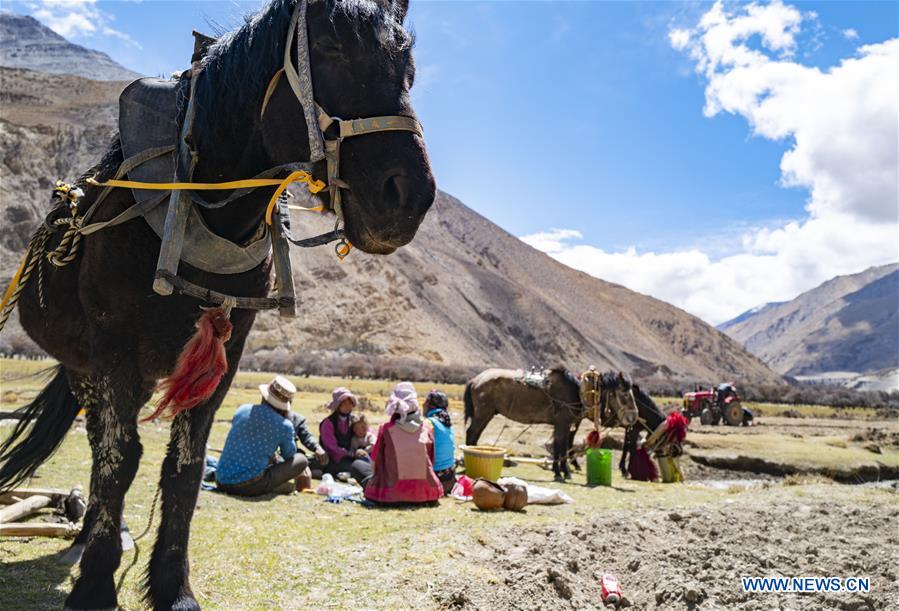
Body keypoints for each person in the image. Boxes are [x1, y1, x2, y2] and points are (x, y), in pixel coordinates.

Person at [216, 376, 308, 496]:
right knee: (301, 460)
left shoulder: (242, 409)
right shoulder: (284, 425)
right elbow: (289, 455)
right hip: (247, 485)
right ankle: (280, 487)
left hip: (221, 480)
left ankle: (282, 487)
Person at [364, 382, 443, 504]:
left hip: (391, 494)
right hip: (426, 493)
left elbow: (376, 461)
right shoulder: (426, 428)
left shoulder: (386, 430)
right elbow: (431, 461)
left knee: (357, 466)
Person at [319, 387, 373, 485]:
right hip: (336, 460)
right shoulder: (328, 423)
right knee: (356, 467)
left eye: (350, 403)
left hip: (356, 456)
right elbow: (331, 448)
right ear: (337, 405)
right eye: (344, 404)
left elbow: (368, 433)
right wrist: (351, 454)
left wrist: (365, 449)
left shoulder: (354, 419)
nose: (347, 406)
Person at [424, 389, 456, 495]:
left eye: (425, 402)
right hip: (449, 477)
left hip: (436, 477)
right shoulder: (447, 423)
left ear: (429, 405)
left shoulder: (429, 423)